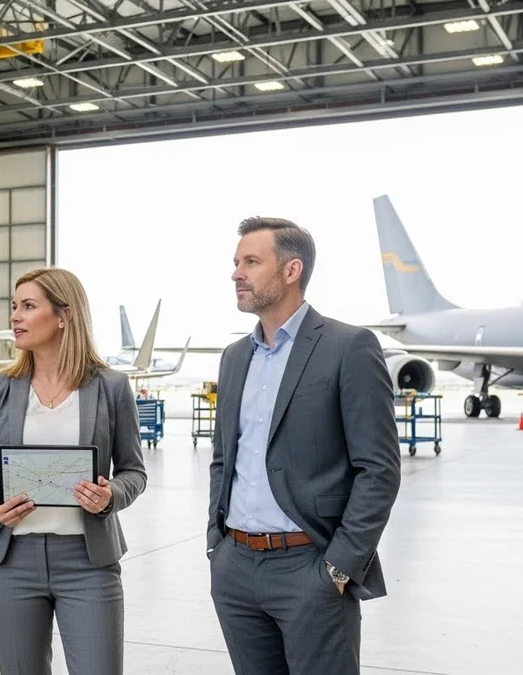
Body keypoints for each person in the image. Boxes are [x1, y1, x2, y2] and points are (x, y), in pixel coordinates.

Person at [206, 217, 402, 674]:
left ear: (291, 271)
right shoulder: (235, 358)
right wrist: (218, 547)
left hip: (309, 565)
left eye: (251, 262)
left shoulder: (348, 346)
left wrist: (338, 568)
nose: (237, 273)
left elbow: (379, 470)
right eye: (236, 263)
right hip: (236, 568)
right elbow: (223, 460)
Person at [0, 267, 147, 675]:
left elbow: (134, 471)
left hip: (88, 562)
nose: (15, 317)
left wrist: (111, 495)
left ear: (64, 316)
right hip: (11, 562)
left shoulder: (111, 387)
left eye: (28, 306)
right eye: (14, 306)